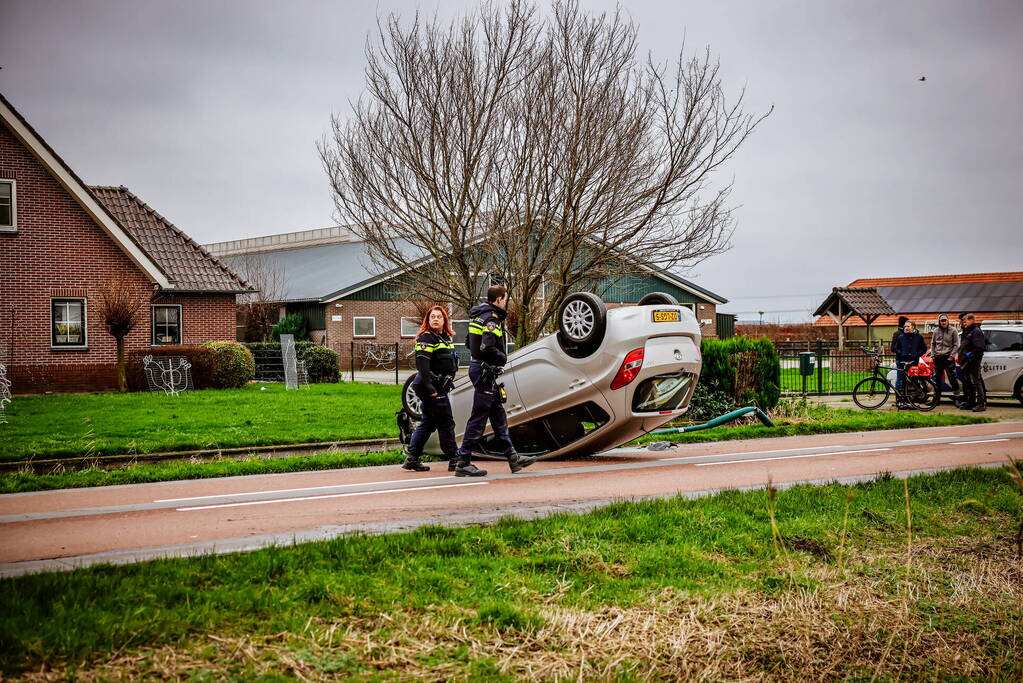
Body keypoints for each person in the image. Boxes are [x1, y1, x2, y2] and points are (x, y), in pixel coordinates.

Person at [452, 284, 537, 477]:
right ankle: (463, 461)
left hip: (480, 370)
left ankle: (513, 458)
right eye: (505, 298)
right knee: (479, 417)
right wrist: (503, 358)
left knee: (498, 417)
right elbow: (487, 347)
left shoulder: (478, 316)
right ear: (498, 299)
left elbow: (468, 343)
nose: (506, 301)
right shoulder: (491, 318)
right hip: (485, 372)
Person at [400, 306, 460, 472]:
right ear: (427, 320)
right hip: (429, 386)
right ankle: (455, 458)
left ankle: (412, 458)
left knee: (428, 422)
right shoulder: (426, 338)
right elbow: (422, 367)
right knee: (446, 422)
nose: (435, 319)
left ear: (444, 320)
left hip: (439, 386)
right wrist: (431, 390)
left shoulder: (445, 338)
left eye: (439, 317)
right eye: (432, 317)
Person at [956, 313, 987, 412]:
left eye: (965, 321)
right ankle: (971, 402)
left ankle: (981, 404)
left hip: (973, 361)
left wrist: (969, 357)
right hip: (966, 362)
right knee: (969, 383)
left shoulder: (976, 331)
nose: (963, 323)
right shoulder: (968, 331)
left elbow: (979, 348)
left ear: (971, 320)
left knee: (977, 382)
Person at [893, 319, 926, 408]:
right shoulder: (901, 337)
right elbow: (896, 348)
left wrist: (916, 354)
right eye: (905, 326)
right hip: (902, 361)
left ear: (913, 327)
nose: (906, 328)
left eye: (908, 326)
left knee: (912, 381)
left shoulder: (919, 337)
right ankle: (900, 401)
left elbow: (924, 349)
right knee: (901, 381)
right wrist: (901, 353)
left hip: (913, 362)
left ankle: (912, 400)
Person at [929, 314, 960, 404]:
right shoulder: (935, 331)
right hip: (938, 358)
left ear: (947, 321)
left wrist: (951, 356)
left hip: (948, 358)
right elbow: (933, 343)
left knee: (952, 378)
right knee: (937, 379)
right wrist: (933, 355)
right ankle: (936, 399)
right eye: (941, 321)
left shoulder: (953, 330)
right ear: (939, 322)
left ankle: (957, 398)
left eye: (945, 321)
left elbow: (956, 344)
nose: (943, 322)